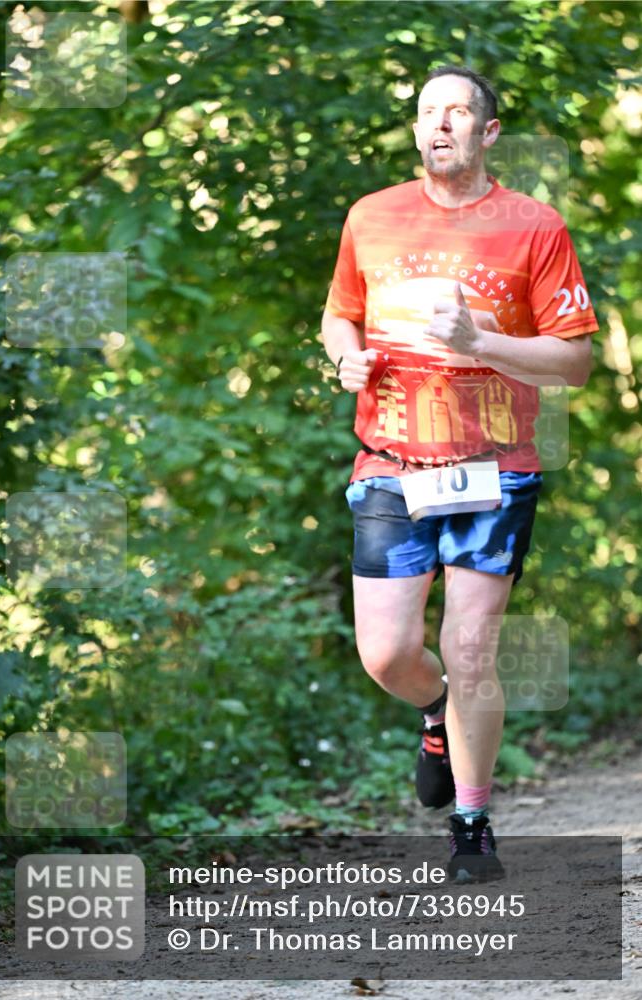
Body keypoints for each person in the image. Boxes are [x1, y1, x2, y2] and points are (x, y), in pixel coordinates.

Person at [321, 65, 598, 882]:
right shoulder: (370, 218)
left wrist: (483, 345)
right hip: (388, 461)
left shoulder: (533, 227)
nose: (439, 124)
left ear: (487, 132)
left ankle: (471, 824)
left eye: (457, 112)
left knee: (470, 648)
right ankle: (435, 712)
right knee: (387, 653)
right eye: (426, 112)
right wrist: (346, 359)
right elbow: (340, 313)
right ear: (414, 130)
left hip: (494, 466)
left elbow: (575, 361)